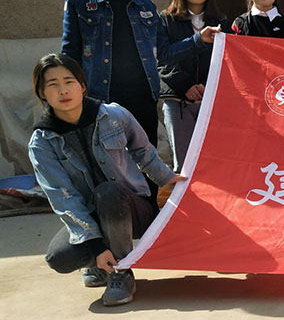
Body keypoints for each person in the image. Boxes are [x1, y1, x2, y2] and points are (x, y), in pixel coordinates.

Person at [28, 54, 186, 306]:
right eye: (53, 84)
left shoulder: (113, 115)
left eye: (68, 81)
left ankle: (121, 272)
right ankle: (101, 263)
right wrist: (95, 247)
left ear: (82, 85)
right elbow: (62, 197)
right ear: (42, 93)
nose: (63, 90)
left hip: (132, 210)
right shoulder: (42, 143)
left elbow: (143, 151)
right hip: (91, 216)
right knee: (60, 258)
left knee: (109, 191)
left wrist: (168, 179)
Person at [61, 0, 219, 149]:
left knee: (146, 164)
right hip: (100, 100)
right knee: (107, 163)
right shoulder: (80, 1)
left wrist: (199, 39)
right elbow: (69, 54)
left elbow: (164, 53)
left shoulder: (145, 7)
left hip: (143, 101)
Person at [158, 0, 228, 173]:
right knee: (185, 166)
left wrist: (207, 86)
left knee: (215, 163)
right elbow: (162, 58)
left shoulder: (221, 21)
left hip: (211, 101)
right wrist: (185, 85)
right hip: (178, 102)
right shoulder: (166, 19)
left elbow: (227, 61)